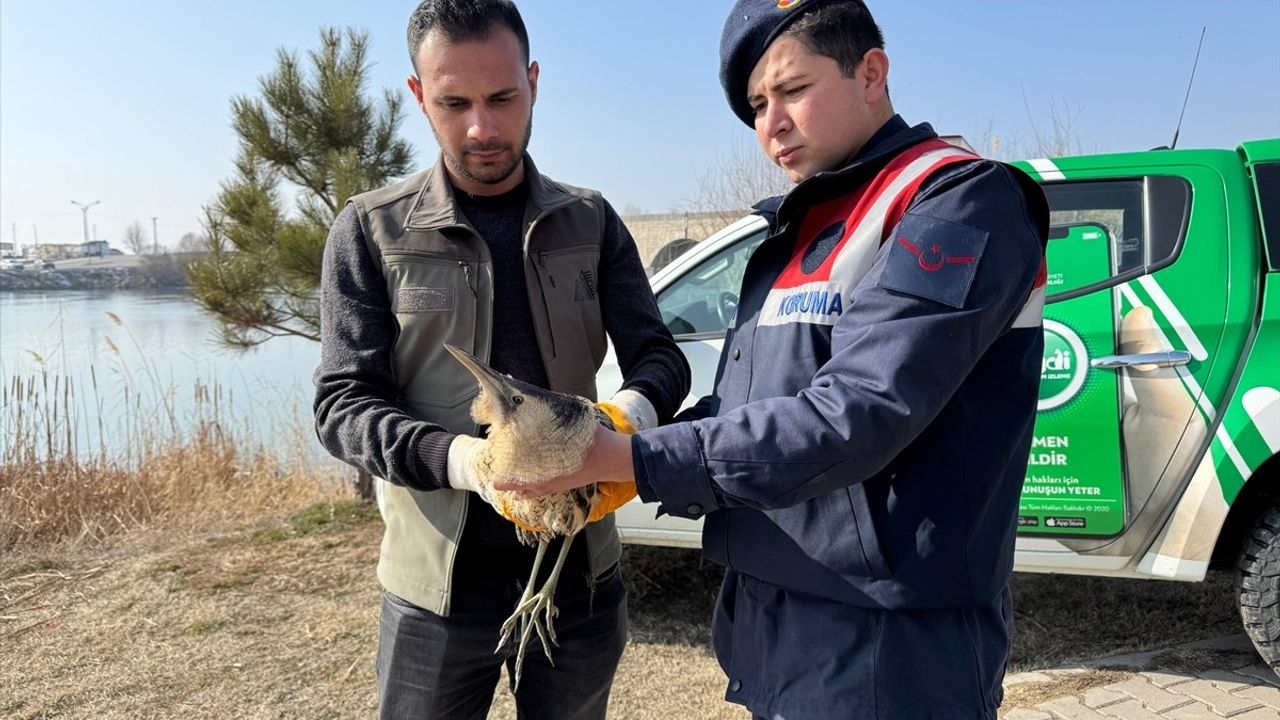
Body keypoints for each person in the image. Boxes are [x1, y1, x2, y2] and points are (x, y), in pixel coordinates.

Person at [503, 1, 1049, 717]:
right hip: (777, 617)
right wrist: (620, 443)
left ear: (872, 72)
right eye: (757, 105)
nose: (771, 124)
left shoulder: (954, 203)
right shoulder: (804, 225)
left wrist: (627, 461)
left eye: (792, 90)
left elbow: (855, 414)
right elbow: (750, 409)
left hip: (889, 640)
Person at [311, 1, 690, 717]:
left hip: (578, 576)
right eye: (454, 103)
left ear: (535, 83)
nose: (482, 127)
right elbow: (343, 406)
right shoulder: (369, 230)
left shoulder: (593, 221)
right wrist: (469, 466)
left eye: (503, 98)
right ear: (418, 96)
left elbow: (660, 359)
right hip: (435, 595)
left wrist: (614, 426)